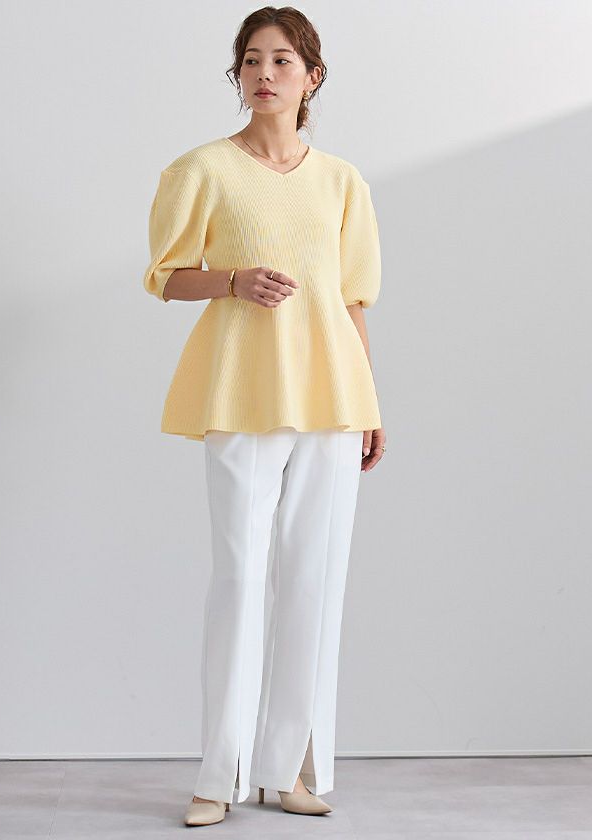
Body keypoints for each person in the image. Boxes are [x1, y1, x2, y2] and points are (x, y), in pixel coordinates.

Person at [141, 5, 387, 827]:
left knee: (316, 583)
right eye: (251, 60)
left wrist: (369, 401)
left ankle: (288, 771)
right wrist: (234, 280)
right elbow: (165, 274)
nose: (264, 73)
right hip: (243, 393)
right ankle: (218, 777)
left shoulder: (342, 181)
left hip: (333, 399)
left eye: (282, 60)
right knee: (241, 580)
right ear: (238, 75)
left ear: (312, 77)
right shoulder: (202, 170)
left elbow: (352, 298)